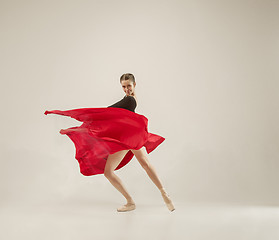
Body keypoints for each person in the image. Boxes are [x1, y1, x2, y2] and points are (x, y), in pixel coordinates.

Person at [44, 73, 175, 212]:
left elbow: (107, 112)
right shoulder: (128, 99)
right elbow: (111, 115)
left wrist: (83, 123)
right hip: (133, 135)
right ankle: (164, 194)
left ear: (134, 85)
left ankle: (130, 202)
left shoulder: (130, 101)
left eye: (129, 86)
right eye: (124, 87)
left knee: (109, 172)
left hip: (125, 139)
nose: (126, 89)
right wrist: (76, 129)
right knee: (145, 164)